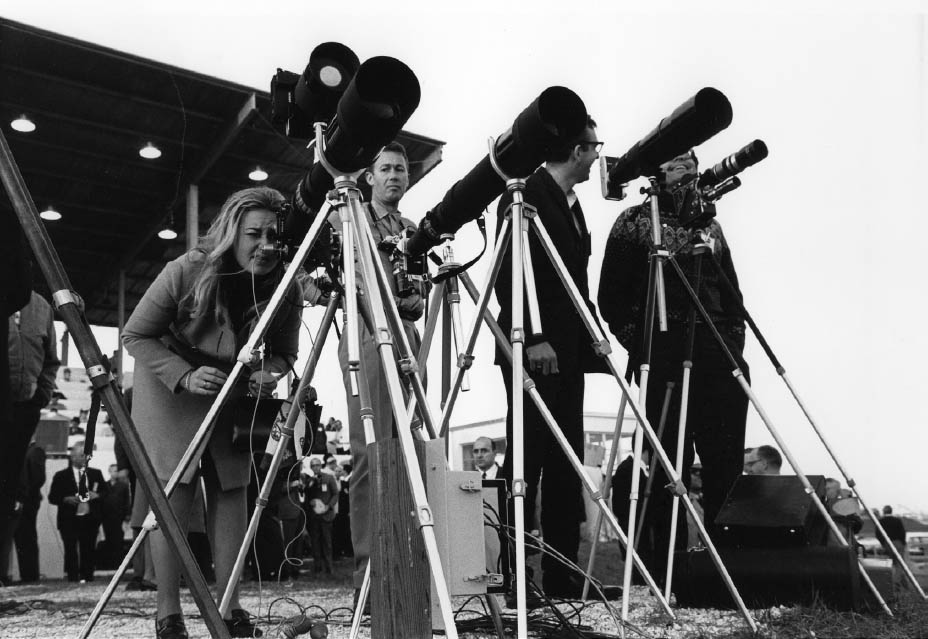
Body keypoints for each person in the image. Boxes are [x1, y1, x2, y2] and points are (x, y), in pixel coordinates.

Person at [122, 186, 301, 639]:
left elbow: (284, 353)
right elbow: (136, 335)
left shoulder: (288, 283)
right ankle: (169, 613)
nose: (265, 246)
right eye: (255, 234)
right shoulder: (185, 270)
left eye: (275, 237)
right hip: (171, 384)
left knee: (232, 489)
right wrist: (183, 374)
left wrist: (271, 372)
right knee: (174, 493)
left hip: (231, 384)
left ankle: (229, 606)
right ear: (232, 231)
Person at [598, 149, 750, 585]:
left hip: (719, 361)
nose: (685, 167)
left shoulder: (711, 225)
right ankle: (666, 570)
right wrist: (647, 346)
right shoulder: (634, 222)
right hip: (663, 363)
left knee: (725, 467)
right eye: (675, 159)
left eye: (691, 161)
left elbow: (731, 293)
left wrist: (732, 347)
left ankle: (725, 571)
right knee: (667, 470)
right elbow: (612, 297)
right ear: (656, 170)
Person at [494, 116, 606, 598]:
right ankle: (514, 575)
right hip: (533, 347)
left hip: (570, 350)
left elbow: (575, 279)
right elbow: (509, 270)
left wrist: (593, 335)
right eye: (595, 146)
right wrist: (533, 336)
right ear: (578, 151)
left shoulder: (572, 205)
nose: (599, 156)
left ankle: (562, 575)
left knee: (566, 460)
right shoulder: (525, 193)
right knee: (528, 458)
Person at [326, 142, 426, 595]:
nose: (394, 176)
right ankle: (368, 575)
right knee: (369, 452)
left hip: (406, 335)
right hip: (367, 330)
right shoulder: (351, 215)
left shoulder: (411, 228)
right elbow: (335, 271)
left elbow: (419, 293)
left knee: (410, 451)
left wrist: (416, 297)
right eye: (385, 168)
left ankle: (407, 563)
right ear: (369, 176)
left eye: (401, 169)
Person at [1, 290, 60, 574]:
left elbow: (51, 360)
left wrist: (41, 396)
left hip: (25, 407)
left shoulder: (41, 307)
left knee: (8, 486)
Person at [47, 441, 107, 583]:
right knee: (70, 549)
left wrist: (97, 495)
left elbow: (106, 492)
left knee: (89, 548)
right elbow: (52, 497)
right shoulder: (61, 476)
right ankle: (73, 577)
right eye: (81, 455)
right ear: (73, 457)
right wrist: (65, 499)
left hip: (90, 518)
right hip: (68, 518)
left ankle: (88, 577)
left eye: (87, 455)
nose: (85, 458)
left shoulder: (96, 473)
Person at [12, 439, 46, 583]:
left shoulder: (34, 451)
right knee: (22, 539)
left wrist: (23, 496)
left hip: (27, 501)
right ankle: (27, 574)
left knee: (26, 538)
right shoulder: (22, 450)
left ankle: (30, 575)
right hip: (20, 499)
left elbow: (37, 478)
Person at [304, 457, 339, 575]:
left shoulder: (328, 478)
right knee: (315, 542)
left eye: (317, 465)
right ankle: (317, 567)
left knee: (327, 542)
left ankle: (329, 568)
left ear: (321, 465)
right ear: (311, 468)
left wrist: (329, 506)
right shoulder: (309, 480)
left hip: (326, 515)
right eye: (313, 466)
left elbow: (335, 494)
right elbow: (306, 497)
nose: (315, 468)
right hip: (314, 516)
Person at [101, 463, 131, 565]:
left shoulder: (123, 486)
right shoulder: (105, 485)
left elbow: (127, 501)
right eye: (112, 471)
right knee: (109, 538)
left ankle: (119, 563)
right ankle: (110, 562)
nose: (114, 473)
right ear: (109, 472)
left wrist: (127, 515)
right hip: (106, 517)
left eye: (116, 471)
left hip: (119, 517)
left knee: (118, 539)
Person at [878, 505, 910, 592]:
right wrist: (902, 543)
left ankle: (906, 587)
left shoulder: (881, 521)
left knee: (894, 564)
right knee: (900, 565)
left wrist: (883, 544)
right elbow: (902, 532)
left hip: (887, 544)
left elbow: (878, 533)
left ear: (884, 512)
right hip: (898, 543)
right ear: (891, 511)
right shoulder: (897, 520)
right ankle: (896, 583)